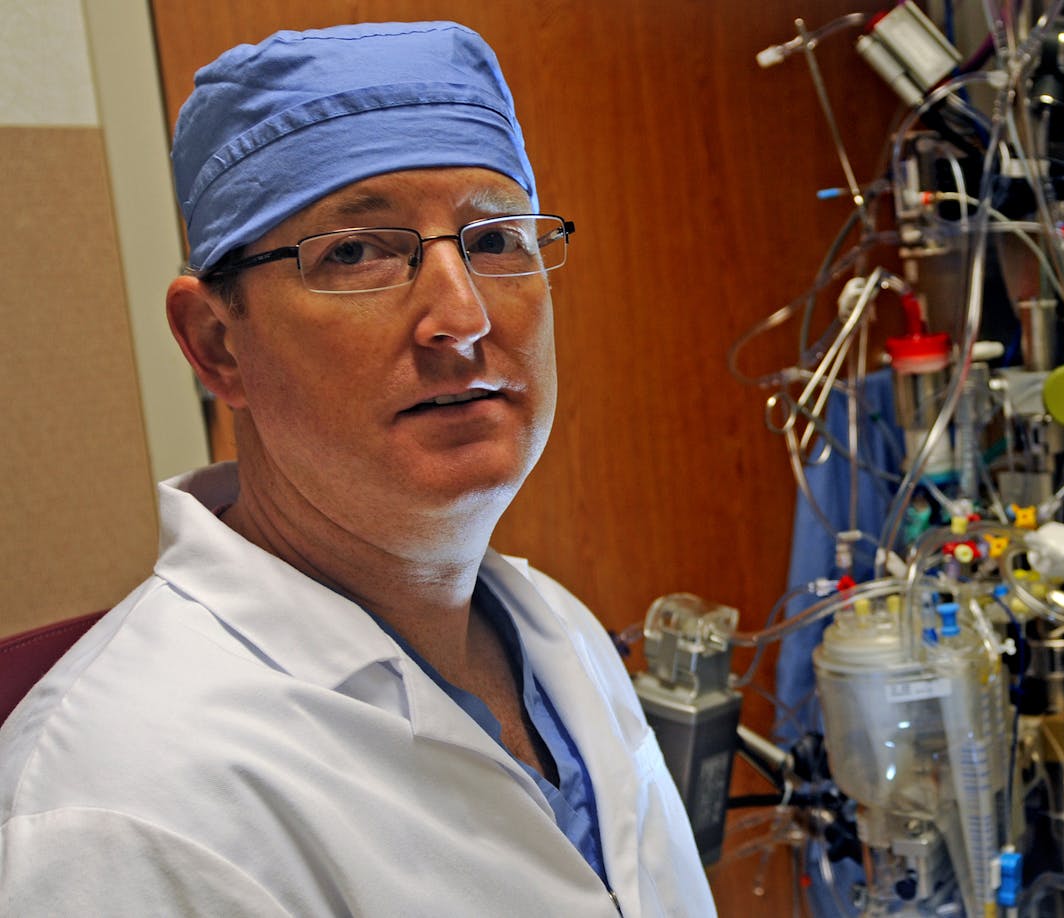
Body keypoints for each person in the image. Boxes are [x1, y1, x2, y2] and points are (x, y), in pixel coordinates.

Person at [0, 21, 714, 916]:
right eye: (355, 252)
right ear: (218, 346)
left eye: (495, 239)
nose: (462, 315)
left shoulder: (553, 631)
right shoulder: (117, 805)